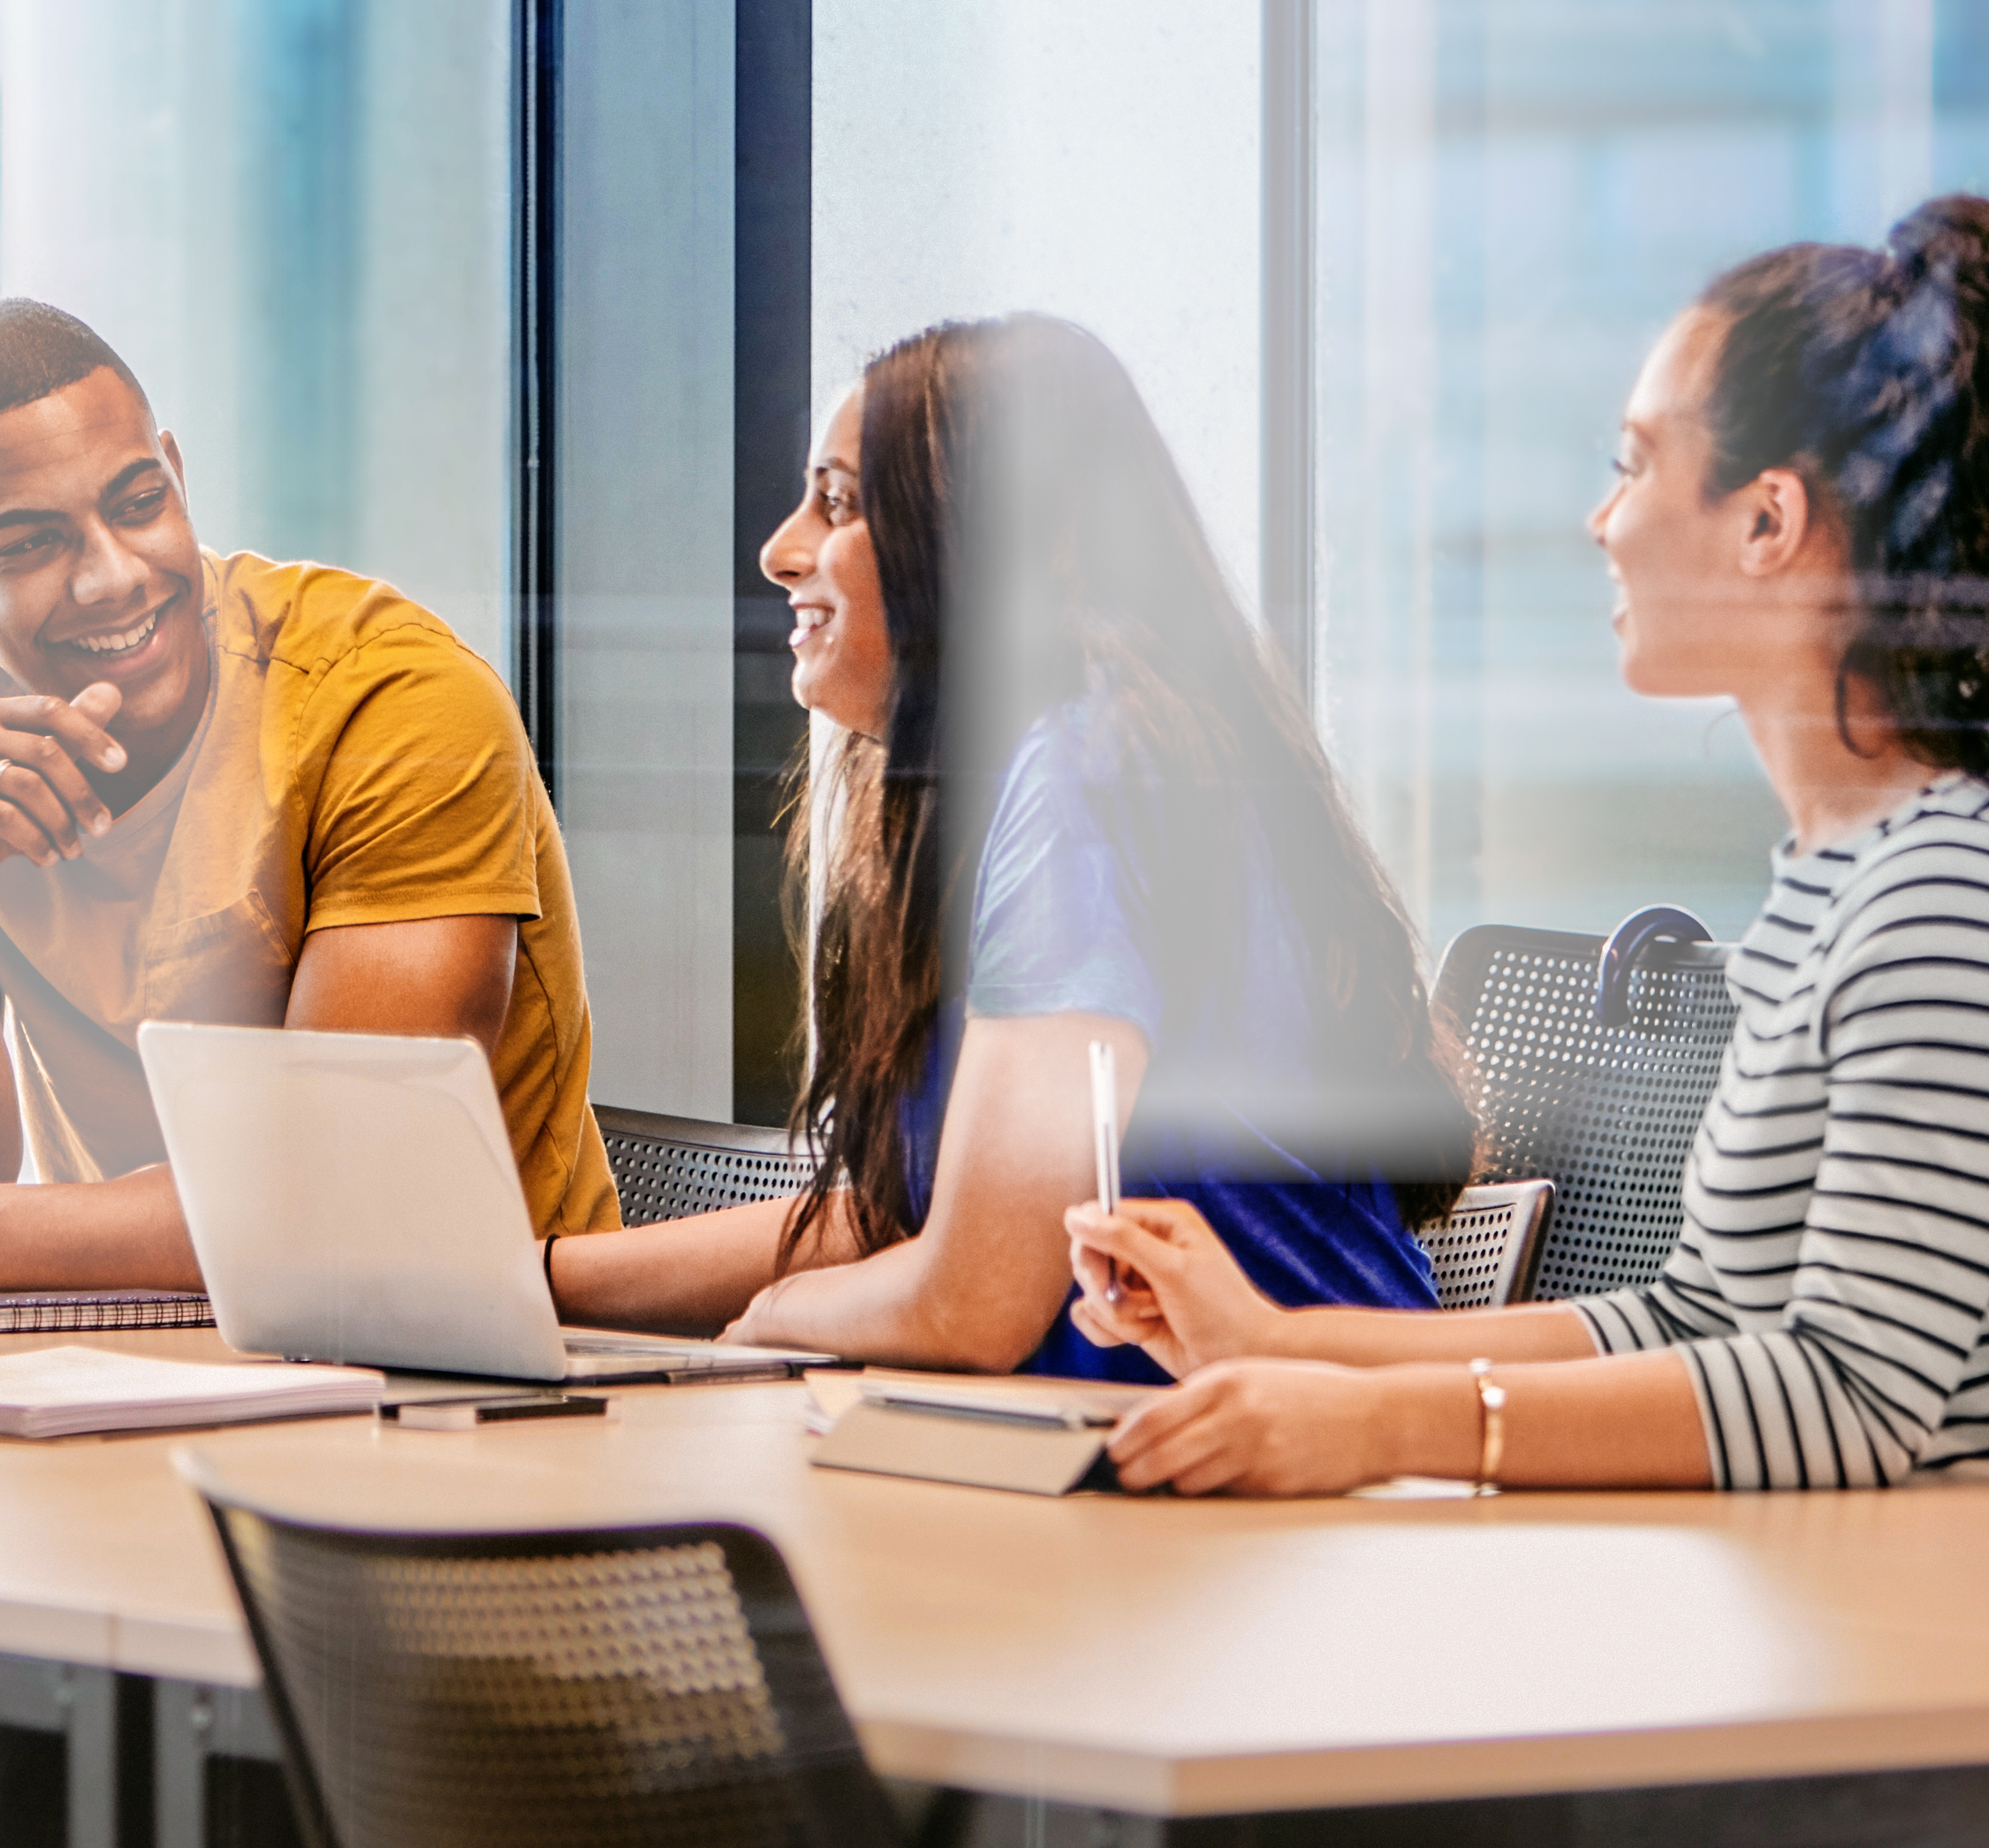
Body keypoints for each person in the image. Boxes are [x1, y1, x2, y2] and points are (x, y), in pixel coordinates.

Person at [1069, 197, 1989, 1495]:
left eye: (1634, 463)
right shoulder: (1843, 872)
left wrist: (1380, 1426)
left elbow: (1845, 1394)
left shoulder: (1956, 893)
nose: (1602, 520)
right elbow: (1701, 1315)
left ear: (1767, 522)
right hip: (1959, 1596)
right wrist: (1293, 1343)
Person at [0, 298, 616, 1302]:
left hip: (462, 1364)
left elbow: (340, 1191)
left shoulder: (388, 696)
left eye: (138, 502)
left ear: (177, 472)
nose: (112, 576)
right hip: (128, 1343)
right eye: (29, 545)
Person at [549, 316, 1469, 1372]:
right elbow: (926, 1219)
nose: (780, 549)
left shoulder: (1090, 766)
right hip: (1139, 1466)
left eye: (839, 501)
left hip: (1285, 1489)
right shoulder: (1028, 772)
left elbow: (971, 1297)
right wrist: (540, 1280)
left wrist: (778, 1316)